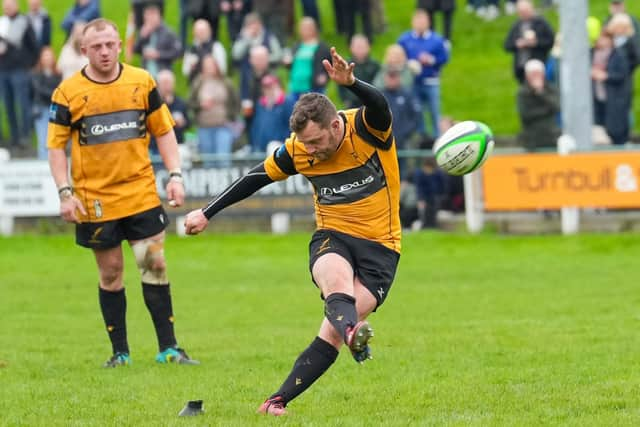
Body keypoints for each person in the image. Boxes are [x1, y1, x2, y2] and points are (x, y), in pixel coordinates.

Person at [184, 47, 401, 416]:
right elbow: (253, 178)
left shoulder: (366, 129)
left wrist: (352, 84)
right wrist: (207, 213)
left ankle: (276, 399)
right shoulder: (297, 150)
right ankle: (353, 333)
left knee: (331, 331)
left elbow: (380, 105)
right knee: (335, 284)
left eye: (316, 142)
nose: (311, 152)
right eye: (306, 145)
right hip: (333, 234)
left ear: (335, 126)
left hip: (382, 247)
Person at [47, 18, 198, 368]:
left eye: (109, 45)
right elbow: (55, 148)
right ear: (83, 50)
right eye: (96, 46)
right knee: (111, 272)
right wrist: (65, 192)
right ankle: (120, 353)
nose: (104, 51)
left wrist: (175, 175)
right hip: (95, 199)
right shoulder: (68, 93)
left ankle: (169, 349)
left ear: (120, 46)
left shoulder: (142, 82)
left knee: (154, 265)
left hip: (141, 192)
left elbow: (164, 131)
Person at [398, 8, 449, 137]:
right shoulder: (405, 39)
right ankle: (421, 140)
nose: (420, 24)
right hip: (413, 82)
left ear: (428, 22)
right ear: (412, 22)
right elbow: (398, 56)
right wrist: (409, 64)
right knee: (417, 112)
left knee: (435, 112)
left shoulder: (437, 40)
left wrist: (431, 60)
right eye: (417, 20)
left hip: (431, 81)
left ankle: (437, 139)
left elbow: (444, 58)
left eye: (423, 21)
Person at [0, 0, 40, 154]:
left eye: (9, 7)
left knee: (23, 104)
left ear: (16, 6)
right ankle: (14, 138)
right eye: (5, 7)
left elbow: (34, 46)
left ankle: (25, 137)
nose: (7, 9)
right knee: (8, 105)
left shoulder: (24, 21)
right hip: (3, 70)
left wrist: (28, 65)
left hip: (19, 71)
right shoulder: (2, 22)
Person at [503, 0, 555, 83]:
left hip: (539, 66)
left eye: (525, 11)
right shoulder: (517, 25)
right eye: (521, 12)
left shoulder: (541, 23)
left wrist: (536, 43)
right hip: (521, 68)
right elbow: (507, 45)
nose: (523, 14)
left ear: (531, 9)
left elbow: (551, 41)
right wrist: (517, 44)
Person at [516, 59, 560, 151]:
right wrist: (547, 111)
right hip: (532, 139)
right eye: (533, 74)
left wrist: (541, 93)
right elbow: (525, 115)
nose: (536, 77)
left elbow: (556, 107)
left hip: (551, 137)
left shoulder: (551, 89)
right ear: (527, 75)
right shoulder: (523, 92)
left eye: (538, 73)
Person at [133, 4, 182, 80]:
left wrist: (158, 54)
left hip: (163, 73)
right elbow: (135, 50)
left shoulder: (168, 33)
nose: (149, 19)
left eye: (152, 15)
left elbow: (178, 53)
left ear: (159, 16)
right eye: (147, 16)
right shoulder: (144, 31)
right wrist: (142, 37)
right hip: (146, 73)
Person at [31, 46, 61, 160]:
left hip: (54, 108)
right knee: (42, 137)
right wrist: (54, 93)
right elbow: (39, 90)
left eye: (49, 56)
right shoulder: (36, 74)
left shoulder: (58, 73)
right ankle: (43, 161)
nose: (47, 59)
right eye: (45, 56)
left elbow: (60, 88)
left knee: (54, 137)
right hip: (41, 108)